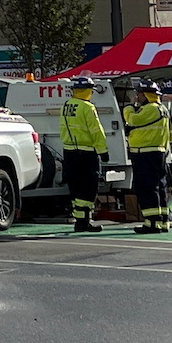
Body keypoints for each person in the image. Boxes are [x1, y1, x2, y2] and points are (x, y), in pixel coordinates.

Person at [121, 85, 171, 233]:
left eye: (139, 95)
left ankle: (152, 223)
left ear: (146, 95)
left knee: (147, 188)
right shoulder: (160, 108)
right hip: (156, 152)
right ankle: (162, 221)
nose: (137, 97)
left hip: (146, 153)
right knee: (159, 187)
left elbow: (133, 120)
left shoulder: (150, 109)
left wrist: (128, 108)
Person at [60, 83, 107, 234]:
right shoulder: (87, 107)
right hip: (86, 153)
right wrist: (103, 150)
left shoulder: (67, 105)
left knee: (76, 187)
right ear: (87, 91)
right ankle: (85, 221)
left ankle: (80, 221)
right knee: (88, 188)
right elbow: (96, 130)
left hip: (69, 152)